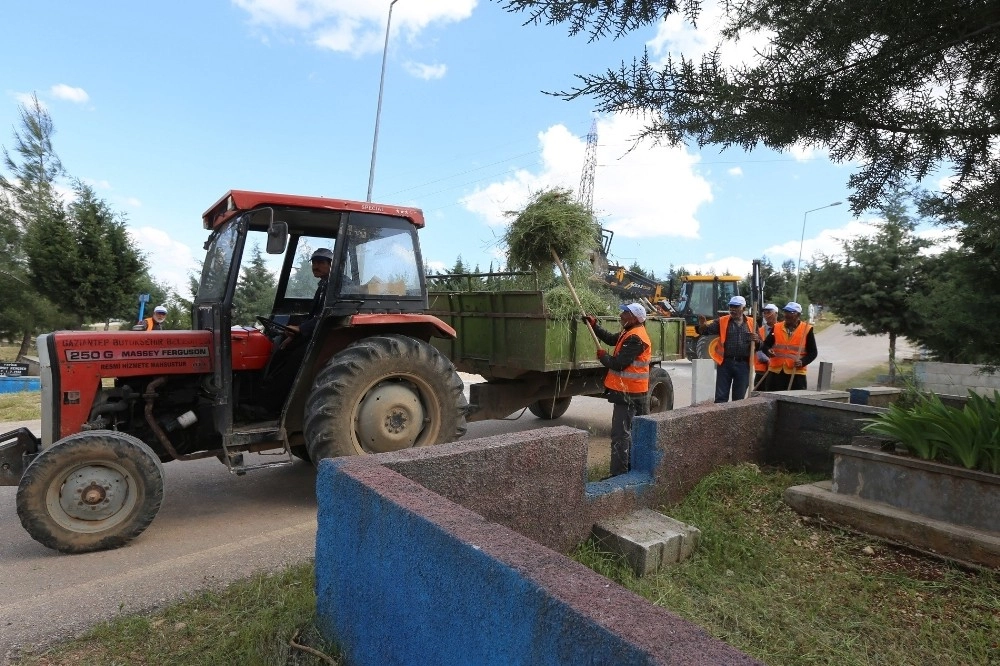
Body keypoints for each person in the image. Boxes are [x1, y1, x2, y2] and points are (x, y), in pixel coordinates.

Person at [258, 248, 333, 412]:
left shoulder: (337, 287)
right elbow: (314, 314)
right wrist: (294, 333)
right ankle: (263, 397)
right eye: (314, 262)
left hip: (328, 333)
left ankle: (274, 407)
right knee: (281, 350)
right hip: (316, 331)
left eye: (320, 262)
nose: (315, 266)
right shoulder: (323, 285)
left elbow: (327, 315)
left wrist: (301, 329)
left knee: (296, 360)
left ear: (331, 264)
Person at [582, 303, 651, 477]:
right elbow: (612, 339)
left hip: (630, 394)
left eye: (625, 313)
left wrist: (603, 356)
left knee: (621, 435)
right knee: (628, 433)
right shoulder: (629, 332)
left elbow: (618, 364)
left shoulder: (636, 337)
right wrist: (594, 325)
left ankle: (619, 475)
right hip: (630, 391)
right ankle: (628, 470)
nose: (621, 315)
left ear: (634, 317)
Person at [696, 295, 759, 402]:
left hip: (743, 365)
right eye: (731, 307)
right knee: (721, 397)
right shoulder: (722, 321)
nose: (732, 309)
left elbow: (760, 345)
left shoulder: (752, 323)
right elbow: (705, 331)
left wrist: (757, 340)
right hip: (725, 363)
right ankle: (720, 417)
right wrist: (702, 326)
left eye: (736, 307)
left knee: (739, 398)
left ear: (743, 308)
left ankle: (735, 418)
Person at [760, 301, 818, 391]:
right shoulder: (777, 327)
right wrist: (768, 351)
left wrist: (802, 362)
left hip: (796, 373)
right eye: (786, 312)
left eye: (791, 312)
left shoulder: (807, 329)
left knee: (794, 402)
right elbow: (765, 345)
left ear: (798, 315)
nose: (787, 315)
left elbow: (813, 352)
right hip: (776, 372)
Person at [753, 304, 779, 390]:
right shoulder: (759, 331)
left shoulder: (782, 330)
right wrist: (768, 360)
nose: (766, 315)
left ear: (776, 314)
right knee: (758, 395)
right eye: (765, 312)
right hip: (762, 370)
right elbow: (758, 349)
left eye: (769, 312)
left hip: (777, 370)